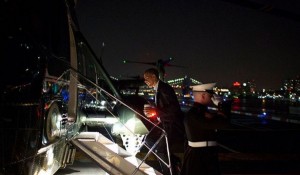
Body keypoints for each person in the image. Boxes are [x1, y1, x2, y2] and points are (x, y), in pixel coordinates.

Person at [180, 83, 230, 175]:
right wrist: (221, 105)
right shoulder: (196, 114)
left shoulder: (196, 112)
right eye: (210, 95)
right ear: (203, 95)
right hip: (200, 157)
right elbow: (223, 123)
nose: (212, 97)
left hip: (201, 155)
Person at [143, 68, 184, 175]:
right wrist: (153, 110)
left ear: (154, 77)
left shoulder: (164, 89)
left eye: (147, 78)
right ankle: (174, 162)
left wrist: (155, 110)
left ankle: (169, 171)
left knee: (160, 149)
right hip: (164, 123)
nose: (145, 81)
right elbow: (164, 107)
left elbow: (173, 109)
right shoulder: (159, 88)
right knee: (149, 140)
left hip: (171, 124)